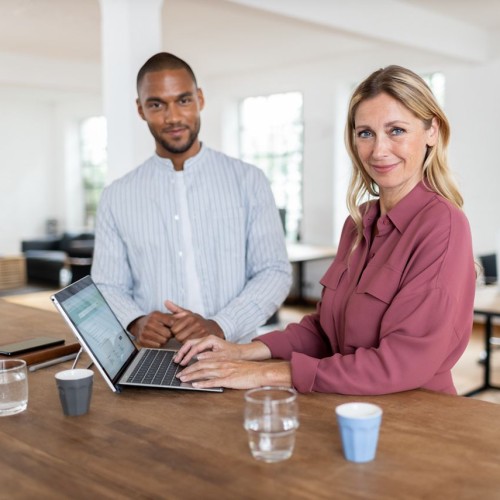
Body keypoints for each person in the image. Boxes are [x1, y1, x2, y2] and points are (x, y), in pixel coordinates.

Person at [174, 65, 476, 396]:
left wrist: (266, 374)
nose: (378, 150)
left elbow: (401, 363)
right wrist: (242, 351)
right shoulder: (359, 223)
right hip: (346, 406)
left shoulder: (442, 225)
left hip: (415, 419)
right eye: (366, 133)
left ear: (432, 131)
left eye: (397, 131)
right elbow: (324, 331)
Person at [91, 52, 291, 346]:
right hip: (154, 357)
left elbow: (274, 271)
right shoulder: (116, 196)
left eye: (183, 100)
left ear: (200, 99)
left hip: (233, 353)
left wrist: (221, 325)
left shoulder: (249, 180)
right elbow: (107, 285)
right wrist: (134, 321)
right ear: (140, 109)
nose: (172, 117)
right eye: (157, 104)